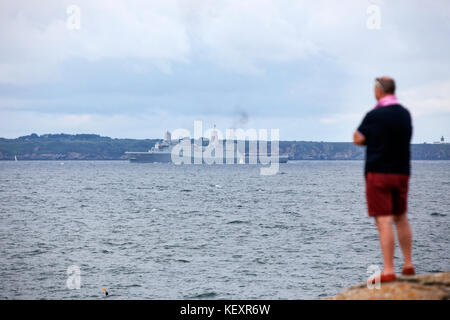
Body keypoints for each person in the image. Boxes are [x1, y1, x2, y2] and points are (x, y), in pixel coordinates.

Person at [353, 76, 415, 283]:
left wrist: (373, 140)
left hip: (379, 172)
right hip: (401, 172)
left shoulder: (374, 115)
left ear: (379, 91)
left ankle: (389, 269)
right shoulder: (405, 114)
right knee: (401, 217)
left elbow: (358, 137)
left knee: (384, 219)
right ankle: (408, 264)